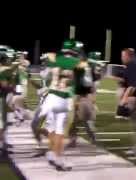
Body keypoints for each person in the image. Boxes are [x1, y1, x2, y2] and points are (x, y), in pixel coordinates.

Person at [39, 40, 82, 171]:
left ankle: (52, 154)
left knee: (51, 128)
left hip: (51, 96)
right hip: (62, 98)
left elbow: (45, 76)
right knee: (60, 131)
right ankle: (59, 160)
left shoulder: (54, 59)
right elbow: (77, 84)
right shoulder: (76, 63)